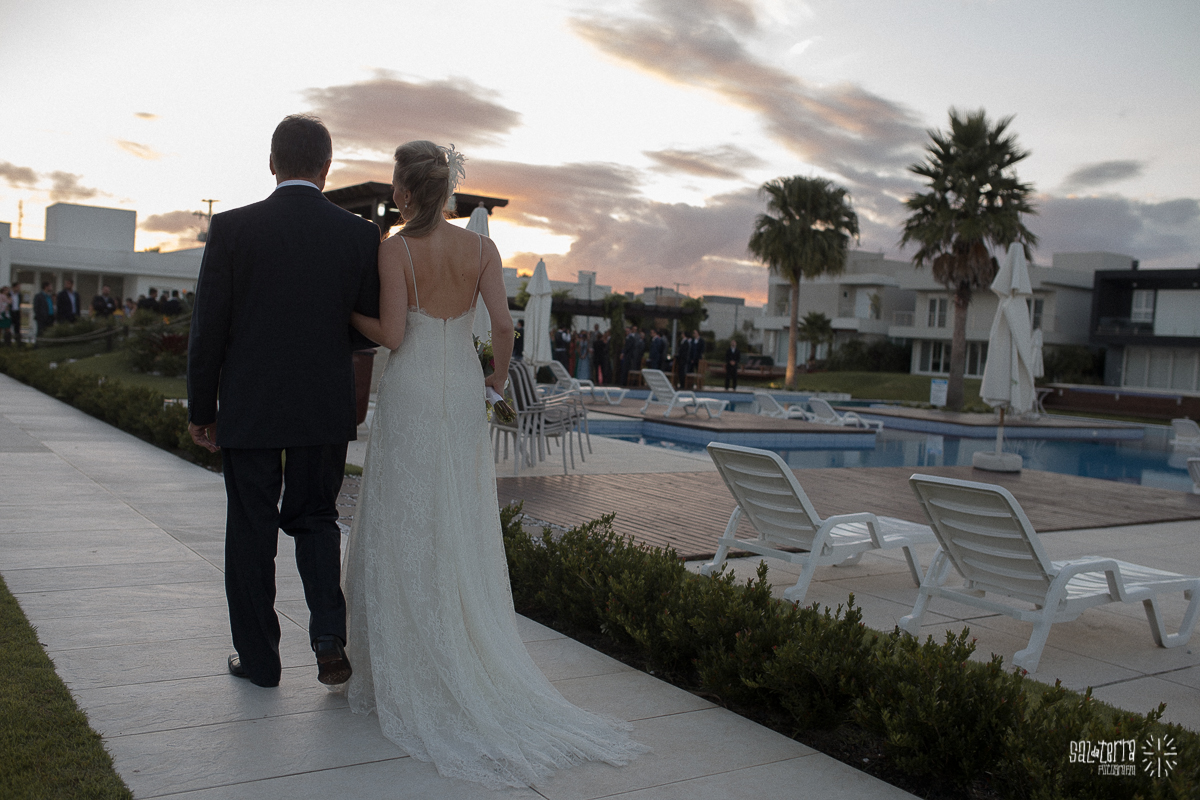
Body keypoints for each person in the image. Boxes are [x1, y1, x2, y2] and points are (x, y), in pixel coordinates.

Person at [343, 140, 643, 789]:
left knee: (404, 513)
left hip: (415, 385)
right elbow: (504, 327)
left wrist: (345, 311)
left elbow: (392, 335)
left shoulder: (395, 248)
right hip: (459, 387)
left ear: (404, 189)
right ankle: (461, 642)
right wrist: (496, 383)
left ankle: (404, 660)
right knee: (457, 514)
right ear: (446, 189)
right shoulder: (480, 249)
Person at [186, 114, 381, 689]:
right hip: (322, 405)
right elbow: (364, 331)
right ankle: (327, 636)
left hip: (249, 406)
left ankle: (261, 662)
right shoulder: (358, 234)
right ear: (327, 168)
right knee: (318, 519)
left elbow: (208, 329)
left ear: (272, 163)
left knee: (250, 530)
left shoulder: (232, 229)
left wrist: (202, 409)